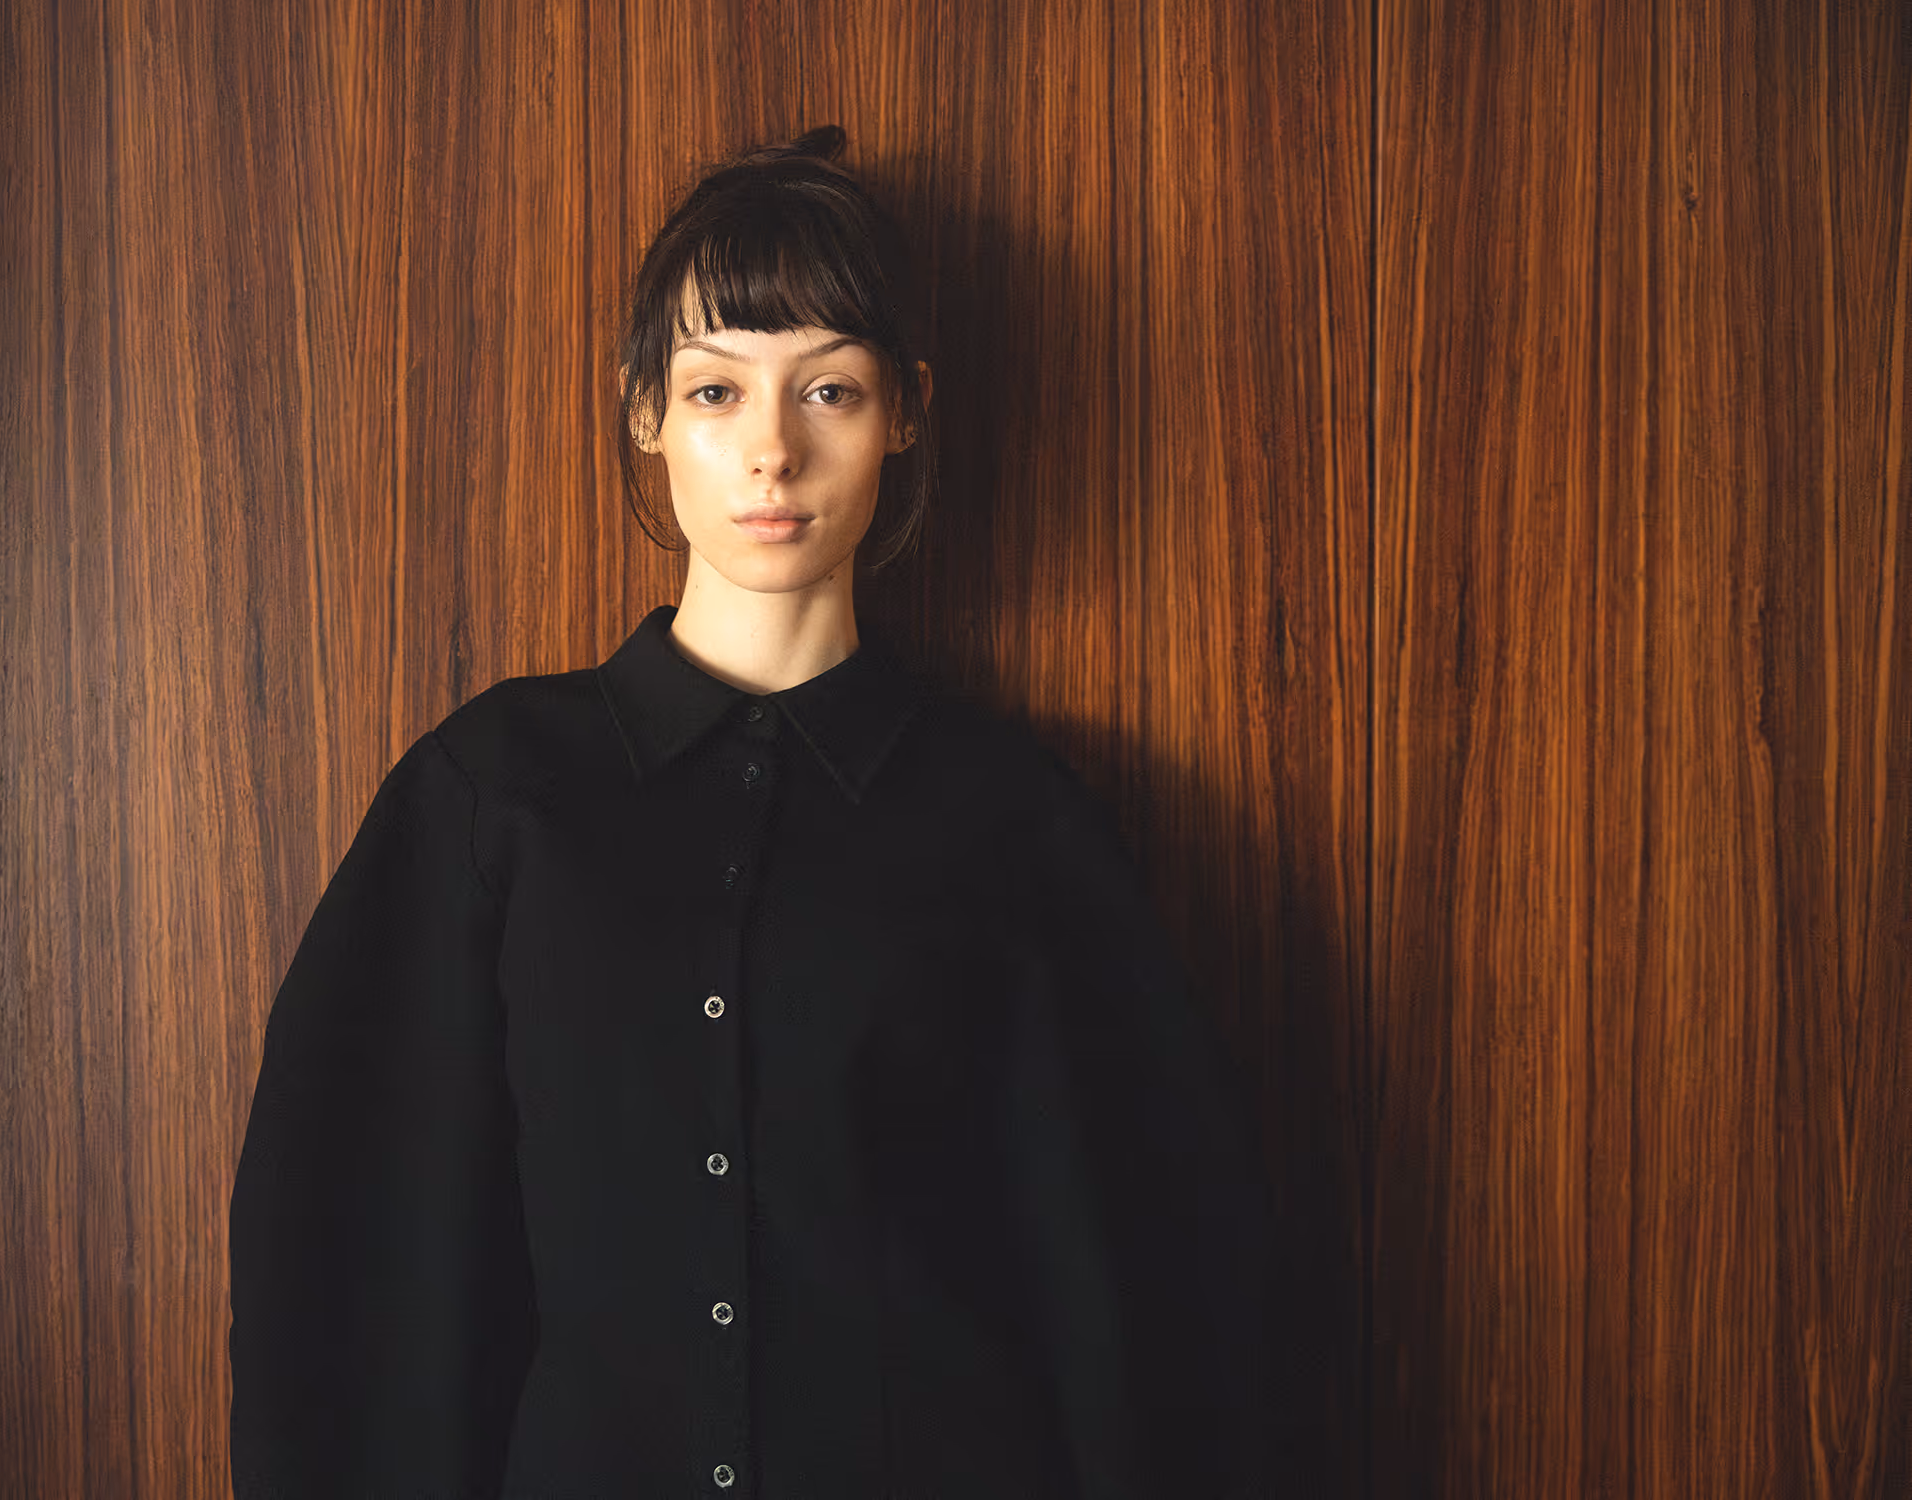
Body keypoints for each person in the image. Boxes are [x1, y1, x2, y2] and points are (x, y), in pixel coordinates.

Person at [230, 124, 1268, 1499]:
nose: (772, 451)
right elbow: (353, 1261)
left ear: (904, 410)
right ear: (644, 412)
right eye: (716, 391)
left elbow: (1150, 1288)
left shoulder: (1013, 822)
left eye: (827, 388)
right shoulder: (491, 800)